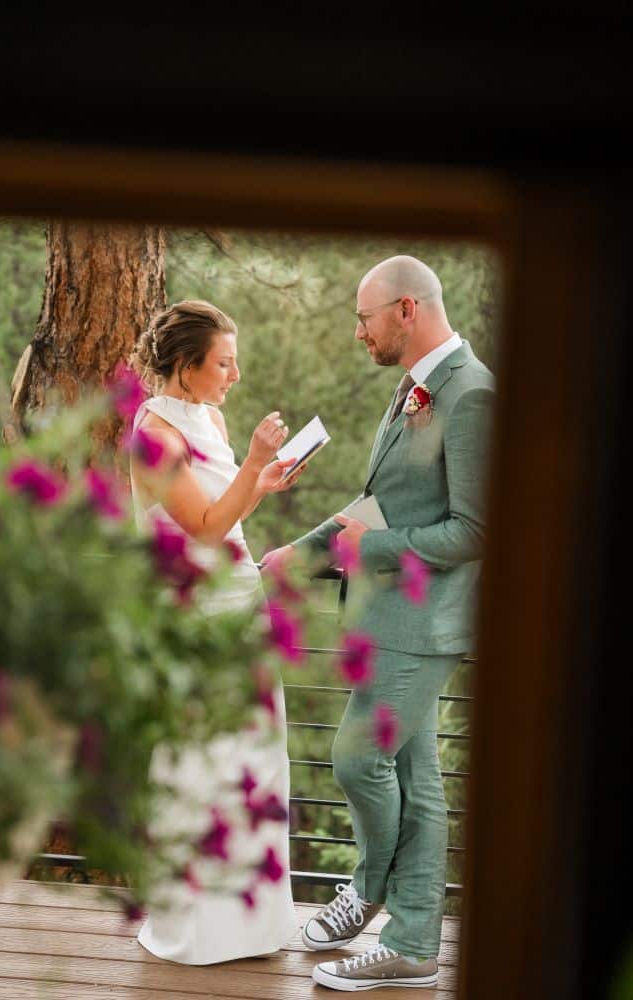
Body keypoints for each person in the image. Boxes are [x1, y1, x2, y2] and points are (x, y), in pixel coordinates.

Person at [262, 255, 495, 991]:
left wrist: (380, 550)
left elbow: (476, 529)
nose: (356, 331)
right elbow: (379, 506)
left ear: (404, 310)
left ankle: (368, 894)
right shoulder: (413, 389)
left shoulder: (471, 395)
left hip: (423, 623)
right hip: (390, 618)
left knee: (358, 760)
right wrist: (295, 557)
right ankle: (415, 947)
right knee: (417, 783)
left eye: (363, 317)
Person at [128, 299, 303, 964]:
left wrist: (262, 478)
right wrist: (255, 464)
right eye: (223, 362)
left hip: (240, 600)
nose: (235, 373)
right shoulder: (153, 433)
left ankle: (253, 927)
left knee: (254, 760)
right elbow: (200, 530)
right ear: (185, 365)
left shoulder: (210, 417)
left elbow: (229, 513)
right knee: (200, 765)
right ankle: (195, 932)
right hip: (194, 614)